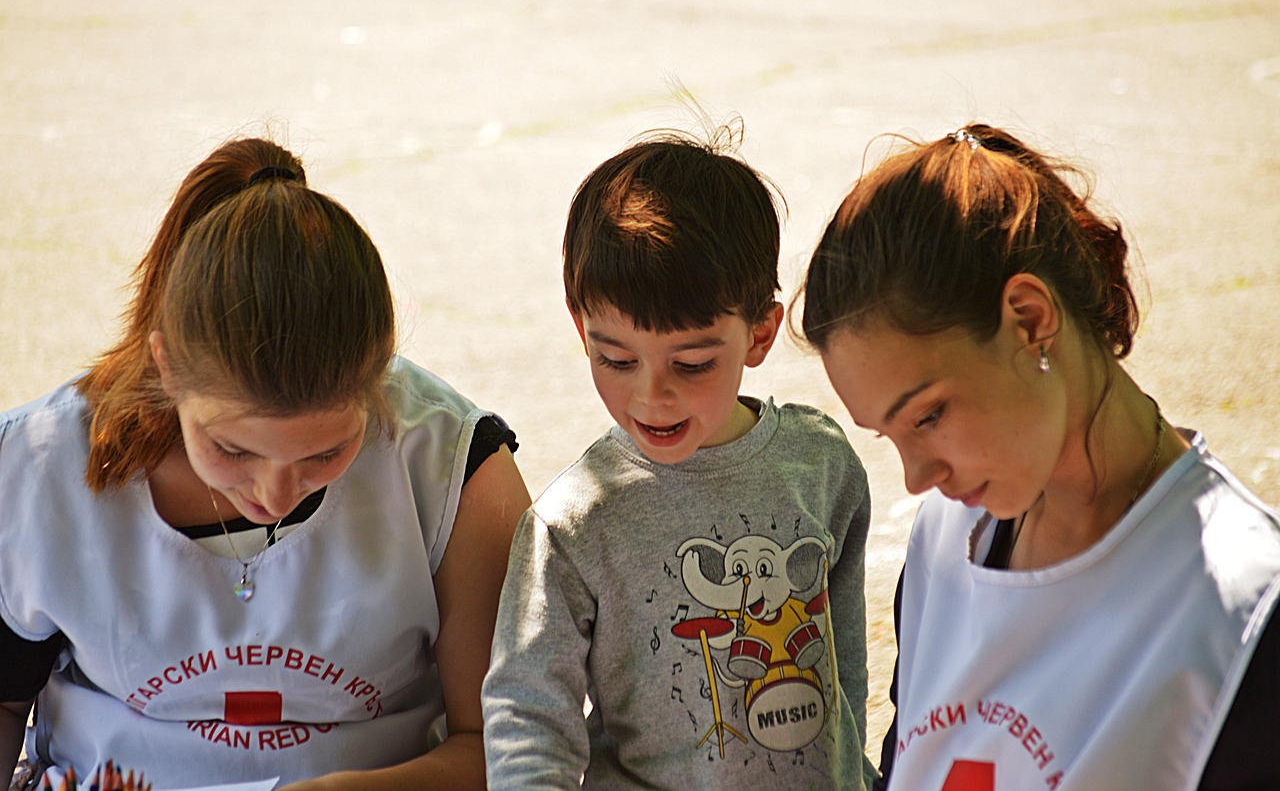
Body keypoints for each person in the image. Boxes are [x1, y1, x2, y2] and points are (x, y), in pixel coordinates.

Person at [0, 138, 532, 790]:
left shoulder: (455, 469)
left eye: (325, 454)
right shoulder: (38, 467)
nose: (276, 492)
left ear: (379, 381)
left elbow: (512, 746)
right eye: (232, 450)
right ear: (166, 365)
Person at [797, 123, 1280, 790]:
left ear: (1029, 319)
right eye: (889, 434)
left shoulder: (1244, 611)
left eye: (930, 415)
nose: (917, 477)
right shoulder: (946, 540)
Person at [481, 130, 879, 789]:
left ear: (760, 333)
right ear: (582, 330)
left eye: (691, 363)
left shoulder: (822, 465)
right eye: (615, 359)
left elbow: (846, 669)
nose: (651, 393)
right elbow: (528, 717)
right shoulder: (573, 522)